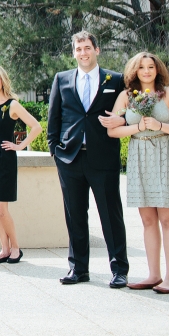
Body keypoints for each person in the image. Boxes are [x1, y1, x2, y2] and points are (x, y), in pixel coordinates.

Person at [48, 30, 129, 288]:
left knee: (110, 215)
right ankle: (78, 269)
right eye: (78, 49)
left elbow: (131, 111)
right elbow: (54, 119)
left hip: (103, 158)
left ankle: (119, 269)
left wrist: (124, 120)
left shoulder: (115, 80)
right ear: (74, 53)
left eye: (87, 47)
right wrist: (55, 151)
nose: (83, 52)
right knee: (75, 216)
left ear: (97, 50)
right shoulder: (62, 79)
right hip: (70, 159)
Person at [107, 52, 169, 294]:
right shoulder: (126, 96)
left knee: (167, 219)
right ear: (134, 71)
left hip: (165, 155)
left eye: (150, 66)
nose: (146, 71)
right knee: (148, 220)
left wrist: (160, 125)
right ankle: (154, 274)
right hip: (139, 157)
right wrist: (137, 126)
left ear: (157, 69)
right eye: (141, 67)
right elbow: (113, 131)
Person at [0, 64, 42, 264]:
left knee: (1, 208)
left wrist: (20, 146)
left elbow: (36, 126)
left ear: (2, 80)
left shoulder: (12, 104)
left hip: (5, 158)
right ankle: (4, 249)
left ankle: (16, 248)